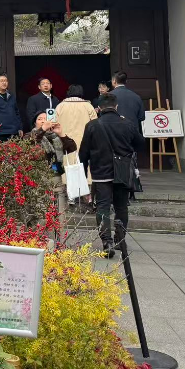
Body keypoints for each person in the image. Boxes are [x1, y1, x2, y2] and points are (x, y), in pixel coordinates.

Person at [79, 93, 146, 258]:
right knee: (121, 207)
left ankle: (106, 242)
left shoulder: (92, 125)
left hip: (101, 173)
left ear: (99, 108)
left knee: (102, 207)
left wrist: (84, 172)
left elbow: (83, 154)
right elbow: (140, 144)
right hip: (123, 172)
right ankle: (119, 240)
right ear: (116, 106)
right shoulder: (127, 123)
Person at [56, 84, 98, 151]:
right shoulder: (88, 106)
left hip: (65, 142)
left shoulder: (60, 106)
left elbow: (54, 124)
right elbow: (95, 124)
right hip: (84, 141)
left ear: (68, 92)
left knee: (67, 160)